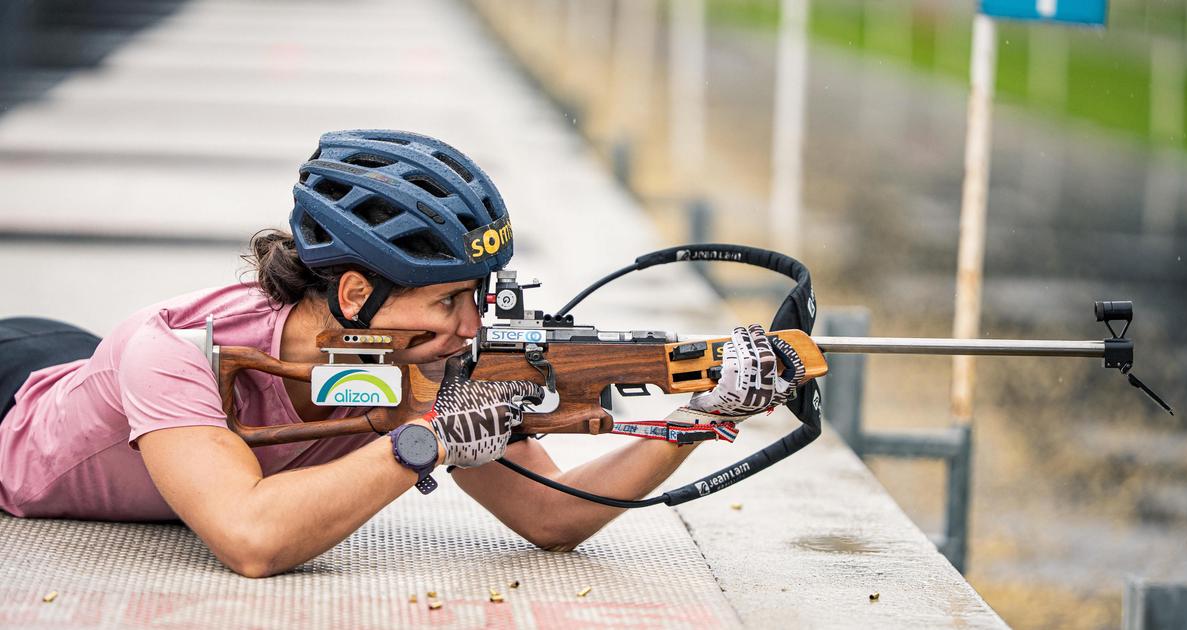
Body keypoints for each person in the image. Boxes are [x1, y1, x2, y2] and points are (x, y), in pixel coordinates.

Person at [0, 130, 805, 578]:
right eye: (449, 300)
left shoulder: (421, 364)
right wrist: (431, 438)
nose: (470, 327)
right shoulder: (173, 351)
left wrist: (698, 409)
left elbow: (552, 517)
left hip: (77, 367)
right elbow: (251, 539)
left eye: (480, 297)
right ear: (357, 297)